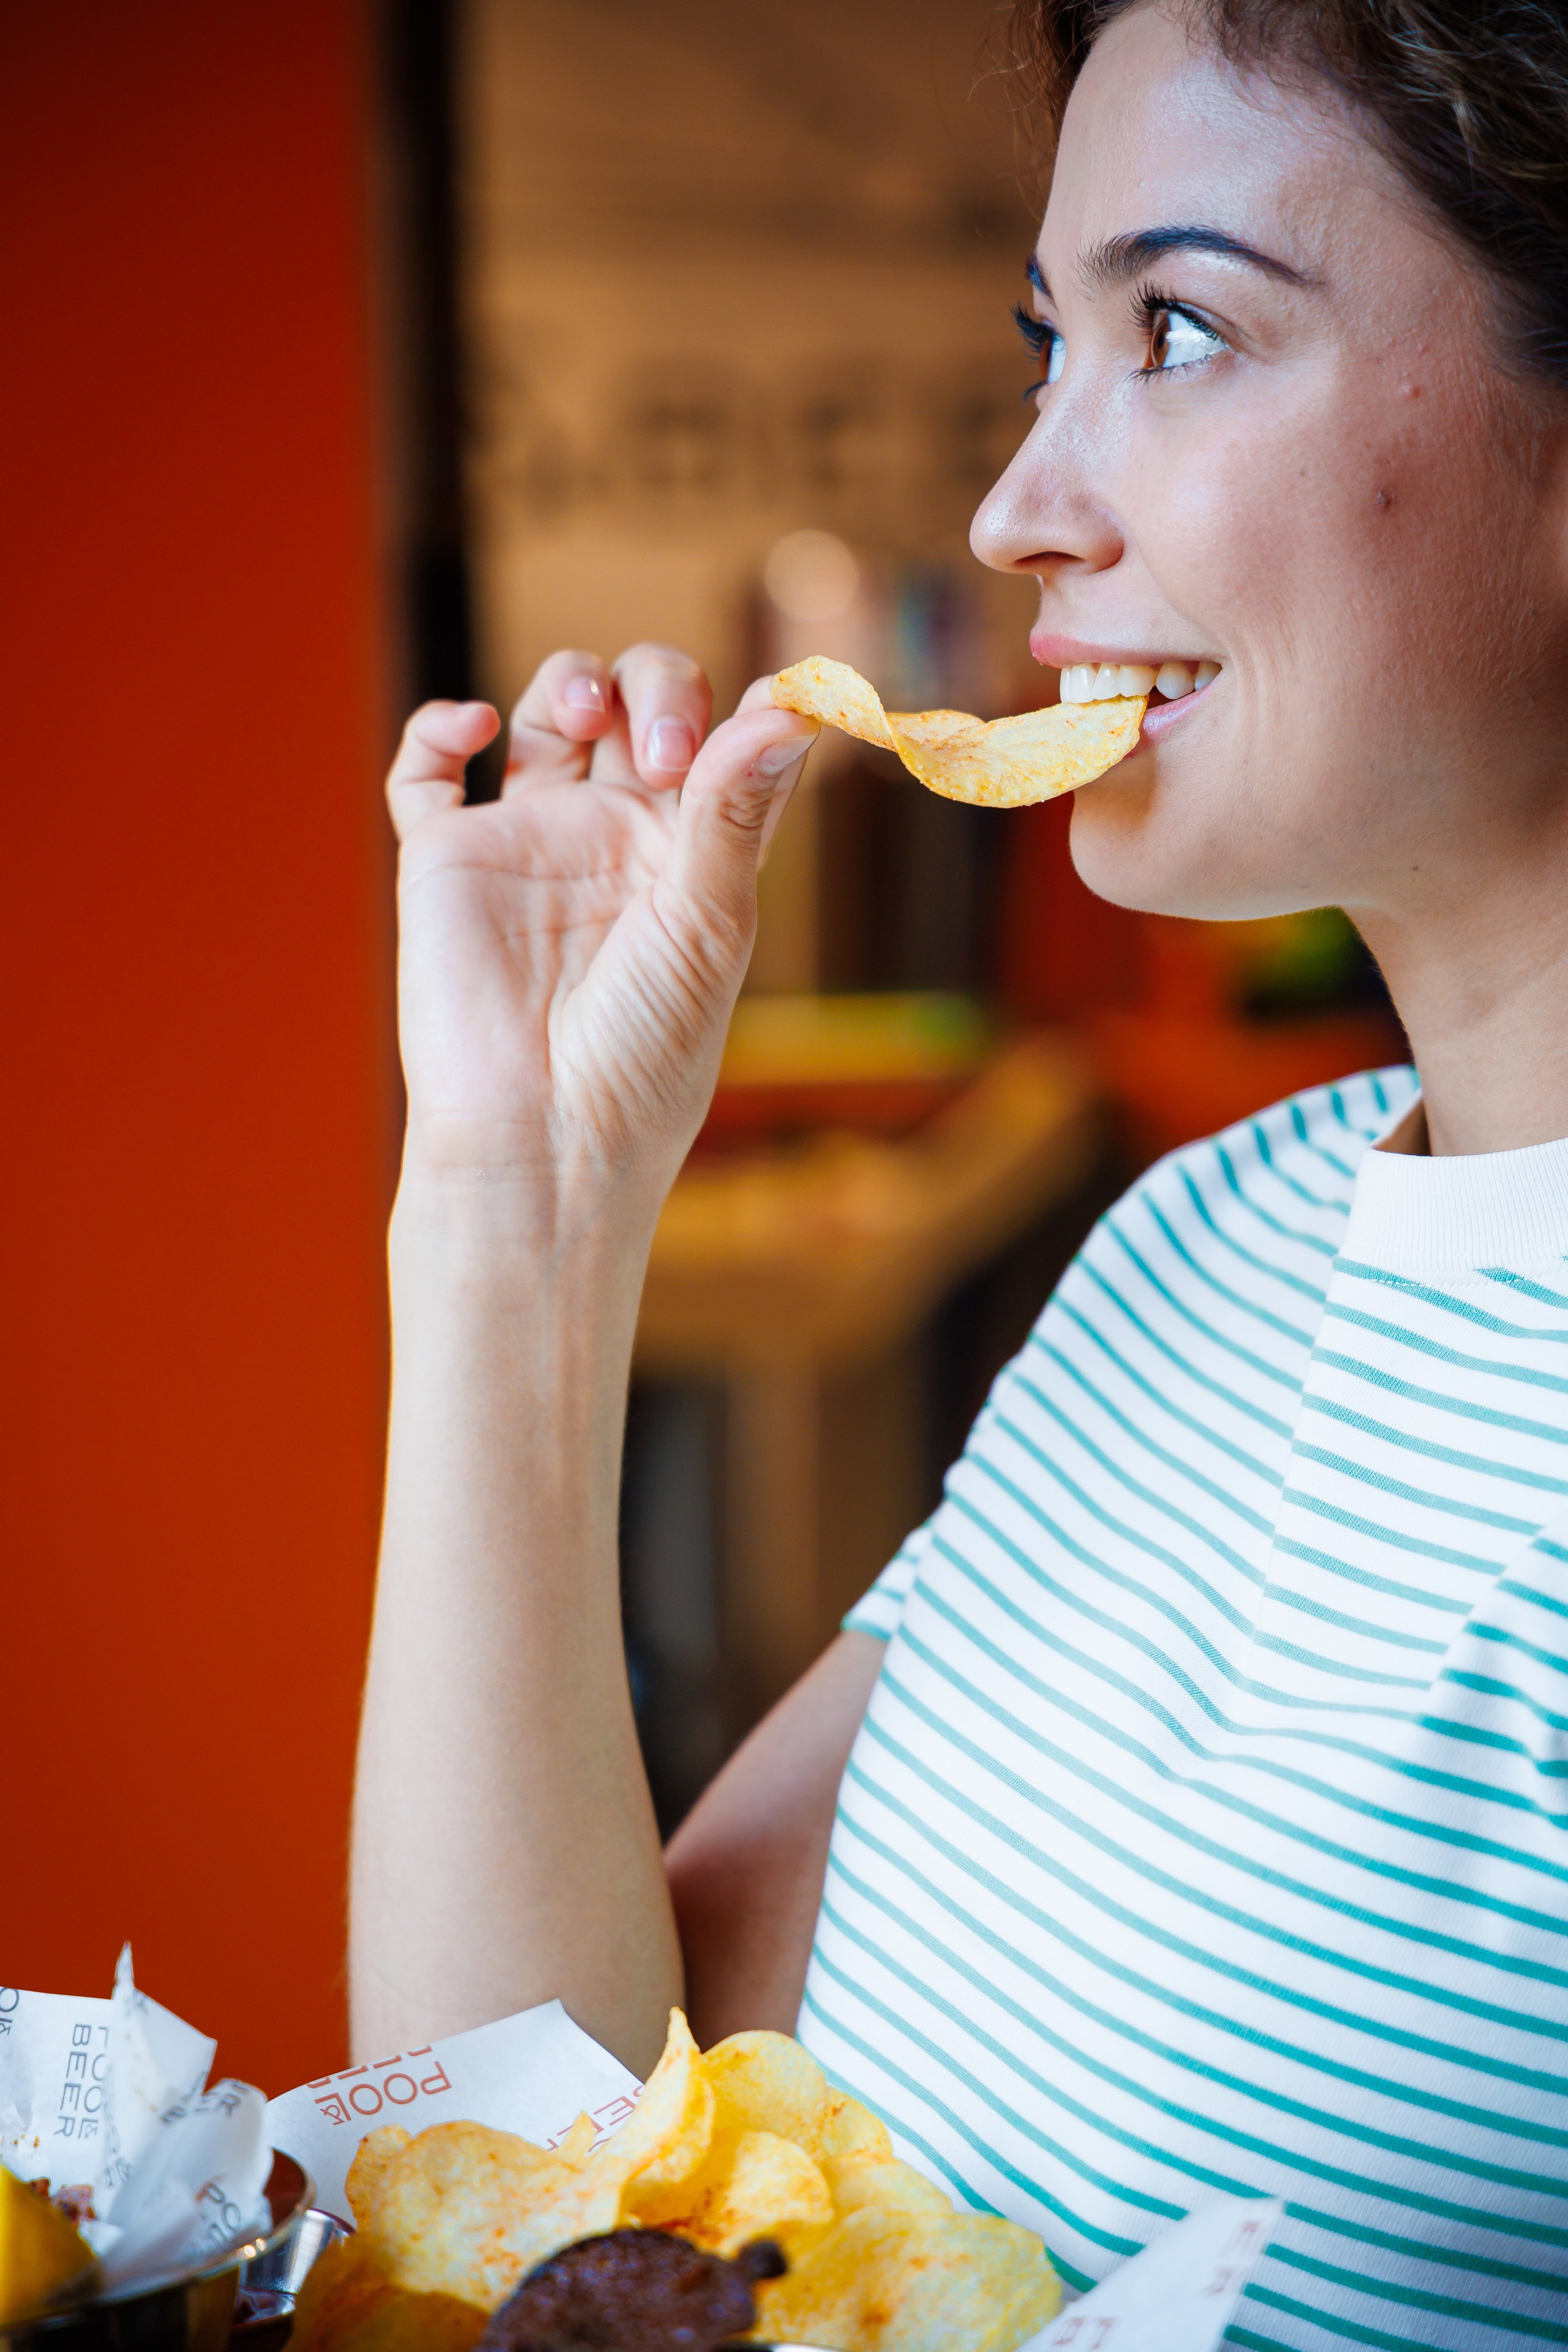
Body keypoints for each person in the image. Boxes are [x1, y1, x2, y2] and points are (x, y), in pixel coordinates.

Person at [350, 2, 1568, 2344]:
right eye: (1053, 347)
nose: (1017, 505)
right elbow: (551, 2186)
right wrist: (517, 1217)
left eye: (1181, 330)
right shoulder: (1204, 1246)